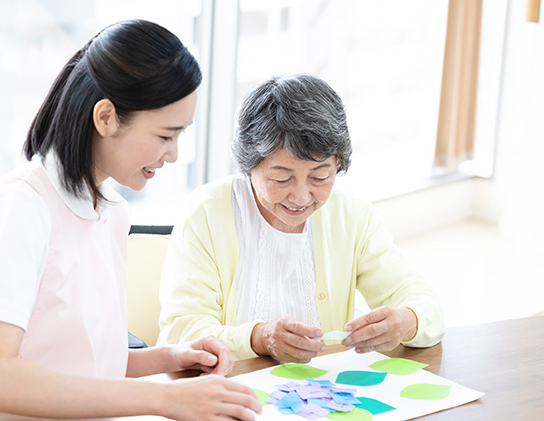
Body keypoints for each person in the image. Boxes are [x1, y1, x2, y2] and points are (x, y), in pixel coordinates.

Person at [0, 20, 261, 421]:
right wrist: (164, 400)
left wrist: (170, 358)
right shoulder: (20, 208)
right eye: (166, 135)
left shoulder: (109, 212)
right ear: (106, 117)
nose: (174, 154)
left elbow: (78, 365)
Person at [157, 73, 444, 363]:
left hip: (321, 397)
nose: (301, 197)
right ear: (249, 165)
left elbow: (422, 300)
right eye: (281, 178)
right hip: (227, 390)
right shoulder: (206, 213)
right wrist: (258, 338)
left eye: (320, 176)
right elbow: (182, 333)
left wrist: (406, 321)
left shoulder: (351, 215)